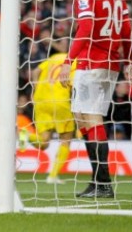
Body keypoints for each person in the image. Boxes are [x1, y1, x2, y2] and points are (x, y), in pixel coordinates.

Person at [59, 0, 132, 198]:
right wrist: (128, 61)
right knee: (82, 117)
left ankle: (103, 184)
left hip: (92, 60)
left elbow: (86, 26)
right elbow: (126, 28)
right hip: (112, 62)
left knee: (91, 118)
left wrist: (67, 60)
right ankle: (97, 181)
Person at [19, 52, 76, 185]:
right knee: (66, 140)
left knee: (44, 142)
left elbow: (35, 71)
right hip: (60, 101)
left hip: (41, 100)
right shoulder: (76, 61)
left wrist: (35, 89)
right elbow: (75, 84)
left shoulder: (54, 58)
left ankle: (24, 135)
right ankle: (52, 176)